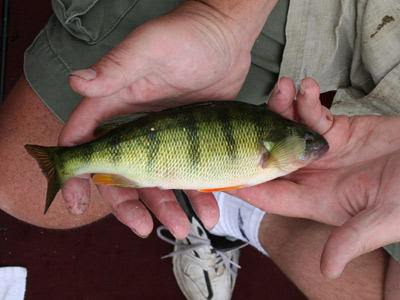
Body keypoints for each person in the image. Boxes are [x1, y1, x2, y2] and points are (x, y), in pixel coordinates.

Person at [1, 0, 400, 299]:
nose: (315, 146)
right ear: (275, 146)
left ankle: (237, 214)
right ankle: (234, 206)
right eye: (308, 143)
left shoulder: (274, 147)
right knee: (17, 185)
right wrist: (224, 15)